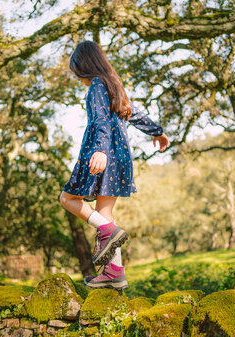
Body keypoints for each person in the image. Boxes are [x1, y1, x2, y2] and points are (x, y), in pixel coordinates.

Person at [59, 40, 170, 290]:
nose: (78, 76)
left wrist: (99, 149)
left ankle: (109, 231)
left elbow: (99, 120)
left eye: (77, 70)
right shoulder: (114, 84)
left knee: (67, 200)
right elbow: (134, 113)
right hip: (120, 157)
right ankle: (114, 273)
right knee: (105, 214)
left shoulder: (97, 84)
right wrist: (158, 132)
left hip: (102, 153)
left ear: (84, 65)